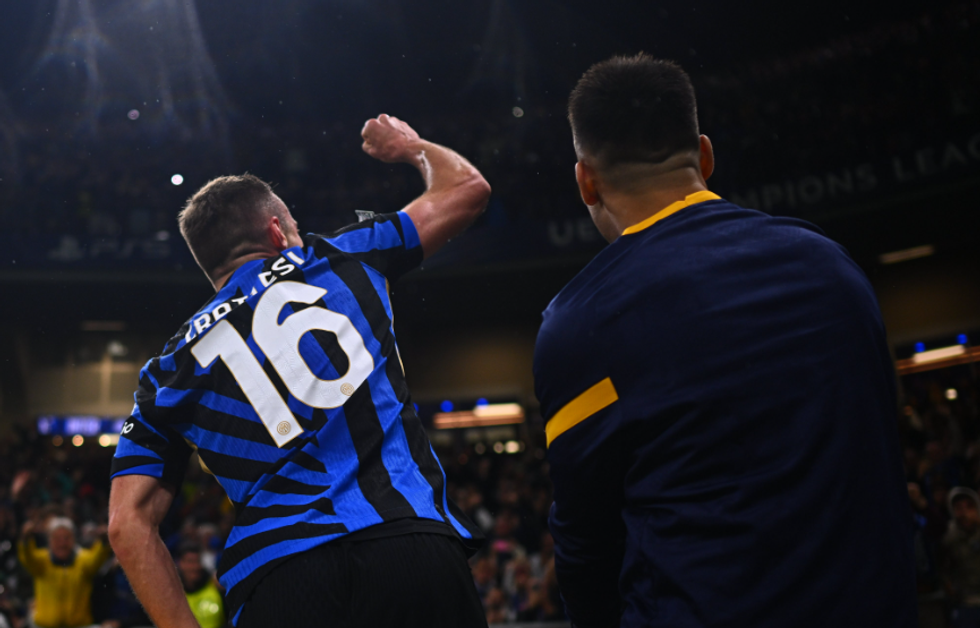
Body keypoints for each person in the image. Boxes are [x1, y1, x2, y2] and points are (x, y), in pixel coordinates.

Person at [533, 53, 916, 628]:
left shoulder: (579, 322)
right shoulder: (831, 267)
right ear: (705, 155)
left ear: (586, 181)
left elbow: (585, 547)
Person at [108, 114, 491, 628]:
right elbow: (467, 189)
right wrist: (409, 146)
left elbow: (126, 524)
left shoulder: (168, 370)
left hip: (279, 581)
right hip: (408, 547)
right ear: (276, 230)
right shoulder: (340, 255)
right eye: (292, 223)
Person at [16, 517, 112, 628]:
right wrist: (26, 538)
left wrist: (104, 540)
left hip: (79, 625)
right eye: (57, 538)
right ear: (49, 540)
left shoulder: (83, 561)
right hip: (44, 625)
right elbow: (27, 556)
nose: (62, 543)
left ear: (73, 539)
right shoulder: (42, 562)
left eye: (66, 538)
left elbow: (98, 557)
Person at [942, 487, 980, 627]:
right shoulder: (949, 538)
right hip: (966, 603)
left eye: (969, 506)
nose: (964, 513)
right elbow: (943, 570)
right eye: (958, 508)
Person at [175, 544, 225, 628]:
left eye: (198, 561)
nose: (195, 567)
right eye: (190, 562)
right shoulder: (173, 592)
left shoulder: (216, 586)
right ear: (180, 563)